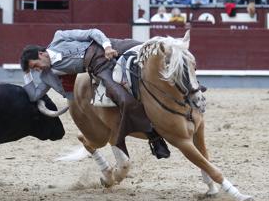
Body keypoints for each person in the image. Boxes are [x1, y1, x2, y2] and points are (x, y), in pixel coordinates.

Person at [20, 29, 171, 159]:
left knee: (146, 50)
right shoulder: (45, 76)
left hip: (106, 50)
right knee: (124, 100)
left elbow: (92, 32)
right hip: (98, 71)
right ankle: (155, 138)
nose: (37, 70)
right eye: (33, 70)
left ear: (41, 54)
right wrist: (26, 73)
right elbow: (34, 95)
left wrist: (106, 47)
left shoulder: (60, 37)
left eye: (35, 66)